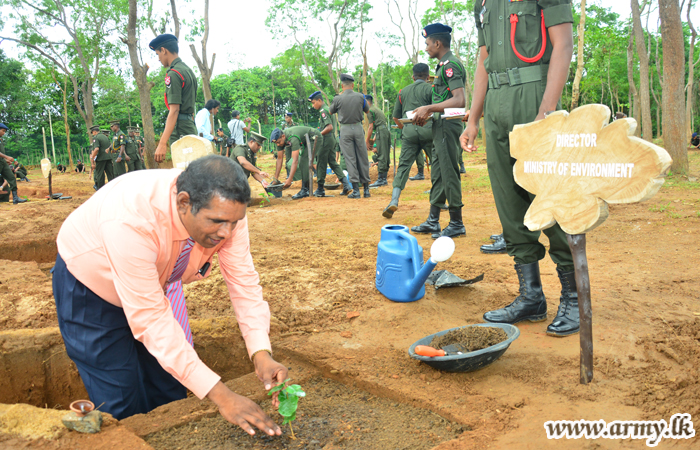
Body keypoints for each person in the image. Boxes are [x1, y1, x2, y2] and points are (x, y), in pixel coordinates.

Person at [53, 155, 288, 436]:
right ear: (183, 203)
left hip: (156, 284)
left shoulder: (227, 210)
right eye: (217, 222)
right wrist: (223, 396)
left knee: (169, 387)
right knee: (122, 397)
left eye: (234, 222)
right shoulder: (131, 218)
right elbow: (150, 319)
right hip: (92, 288)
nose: (227, 233)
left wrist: (261, 352)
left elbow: (244, 283)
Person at [461, 0, 578, 337]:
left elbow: (563, 44)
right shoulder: (482, 3)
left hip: (534, 96)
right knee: (510, 204)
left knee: (549, 200)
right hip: (495, 101)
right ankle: (531, 297)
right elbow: (484, 60)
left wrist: (546, 111)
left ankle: (574, 297)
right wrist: (473, 119)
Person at [410, 23, 467, 239]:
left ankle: (457, 222)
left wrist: (429, 108)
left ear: (437, 43)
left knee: (449, 171)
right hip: (440, 125)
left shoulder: (451, 65)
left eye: (427, 44)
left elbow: (459, 100)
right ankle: (433, 220)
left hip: (448, 126)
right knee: (438, 173)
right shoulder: (442, 66)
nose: (426, 48)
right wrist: (428, 113)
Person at [383, 63, 435, 219]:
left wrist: (404, 128)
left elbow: (396, 117)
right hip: (428, 130)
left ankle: (394, 200)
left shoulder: (403, 92)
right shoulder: (431, 89)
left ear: (413, 77)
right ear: (428, 77)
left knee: (403, 167)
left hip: (409, 132)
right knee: (437, 165)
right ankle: (439, 200)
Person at [150, 34, 198, 163]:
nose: (159, 59)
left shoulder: (174, 73)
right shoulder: (188, 70)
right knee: (193, 168)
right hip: (189, 126)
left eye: (158, 54)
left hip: (180, 129)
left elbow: (175, 110)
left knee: (183, 168)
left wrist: (162, 143)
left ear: (164, 50)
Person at [329, 73, 371, 199]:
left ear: (342, 86)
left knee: (350, 159)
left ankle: (356, 191)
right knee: (363, 158)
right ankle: (366, 190)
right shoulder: (360, 96)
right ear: (352, 85)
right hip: (358, 128)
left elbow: (330, 111)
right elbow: (367, 110)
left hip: (345, 130)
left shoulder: (338, 98)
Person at [308, 91, 352, 197]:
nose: (313, 106)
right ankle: (346, 185)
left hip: (325, 140)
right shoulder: (329, 109)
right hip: (331, 139)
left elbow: (329, 127)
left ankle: (320, 189)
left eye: (314, 103)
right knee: (333, 162)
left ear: (319, 100)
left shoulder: (323, 111)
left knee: (321, 163)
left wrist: (318, 135)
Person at [270, 126, 321, 200]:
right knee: (303, 161)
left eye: (278, 142)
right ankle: (306, 189)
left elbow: (295, 160)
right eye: (276, 143)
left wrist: (290, 179)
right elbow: (279, 159)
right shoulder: (280, 140)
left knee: (304, 161)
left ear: (283, 136)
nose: (277, 144)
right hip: (305, 141)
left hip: (314, 137)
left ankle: (306, 189)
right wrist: (275, 179)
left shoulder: (293, 137)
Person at [364, 95, 391, 188]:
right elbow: (380, 125)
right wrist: (374, 138)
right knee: (385, 154)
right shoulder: (376, 109)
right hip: (384, 131)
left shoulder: (369, 110)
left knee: (381, 154)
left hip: (381, 132)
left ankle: (381, 180)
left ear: (367, 102)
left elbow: (371, 127)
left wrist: (367, 141)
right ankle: (384, 179)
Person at [0, 123, 27, 204]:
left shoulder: (0, 140)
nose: (4, 133)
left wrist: (6, 160)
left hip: (2, 162)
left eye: (5, 131)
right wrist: (7, 157)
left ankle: (15, 198)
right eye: (3, 131)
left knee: (11, 178)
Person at [90, 125, 114, 190]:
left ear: (94, 132)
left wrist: (92, 157)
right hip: (108, 158)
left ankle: (101, 189)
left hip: (101, 159)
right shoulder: (105, 137)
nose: (93, 134)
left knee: (100, 175)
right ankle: (113, 188)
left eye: (92, 133)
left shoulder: (96, 137)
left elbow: (96, 149)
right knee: (110, 174)